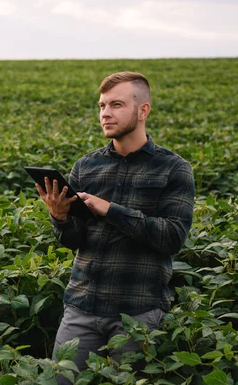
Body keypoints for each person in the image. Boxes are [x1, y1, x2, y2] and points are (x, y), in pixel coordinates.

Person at [36, 71, 194, 382]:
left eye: (117, 104)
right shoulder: (86, 166)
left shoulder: (174, 169)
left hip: (137, 314)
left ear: (143, 110)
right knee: (59, 380)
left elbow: (173, 237)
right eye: (102, 106)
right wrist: (60, 216)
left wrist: (110, 209)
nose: (106, 113)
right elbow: (74, 241)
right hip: (81, 306)